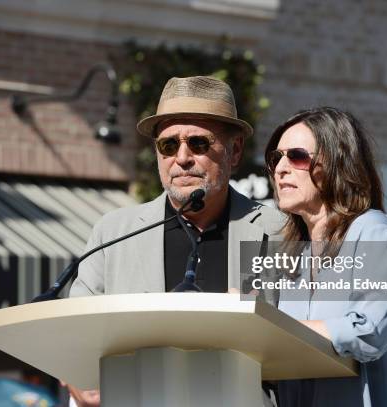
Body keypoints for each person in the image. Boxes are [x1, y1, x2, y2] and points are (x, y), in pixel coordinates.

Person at [67, 76, 285, 407]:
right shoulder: (113, 232)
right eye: (168, 145)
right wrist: (79, 380)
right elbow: (75, 333)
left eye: (198, 143)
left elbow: (305, 345)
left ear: (235, 150)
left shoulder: (281, 231)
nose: (181, 158)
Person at [264, 107, 387, 407]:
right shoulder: (290, 256)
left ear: (335, 163)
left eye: (296, 156)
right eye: (275, 158)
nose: (281, 168)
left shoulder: (375, 232)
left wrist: (272, 326)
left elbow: (368, 331)